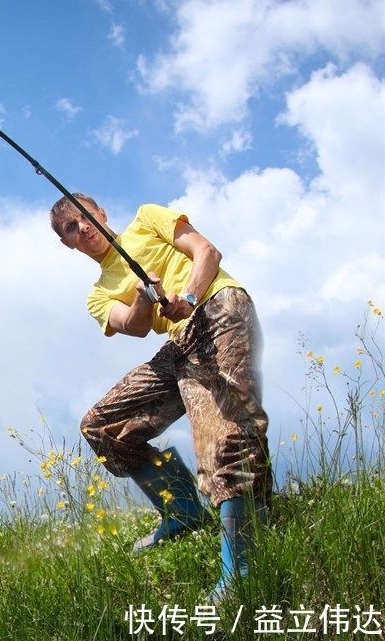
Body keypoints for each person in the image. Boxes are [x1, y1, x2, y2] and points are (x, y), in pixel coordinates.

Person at [49, 193, 272, 601]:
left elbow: (207, 251)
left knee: (226, 431)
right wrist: (142, 295)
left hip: (217, 308)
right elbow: (133, 326)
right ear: (68, 244)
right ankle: (183, 511)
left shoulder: (146, 219)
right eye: (70, 229)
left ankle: (240, 566)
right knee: (101, 426)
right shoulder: (98, 294)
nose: (81, 228)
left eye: (83, 218)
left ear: (100, 212)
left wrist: (186, 297)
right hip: (179, 344)